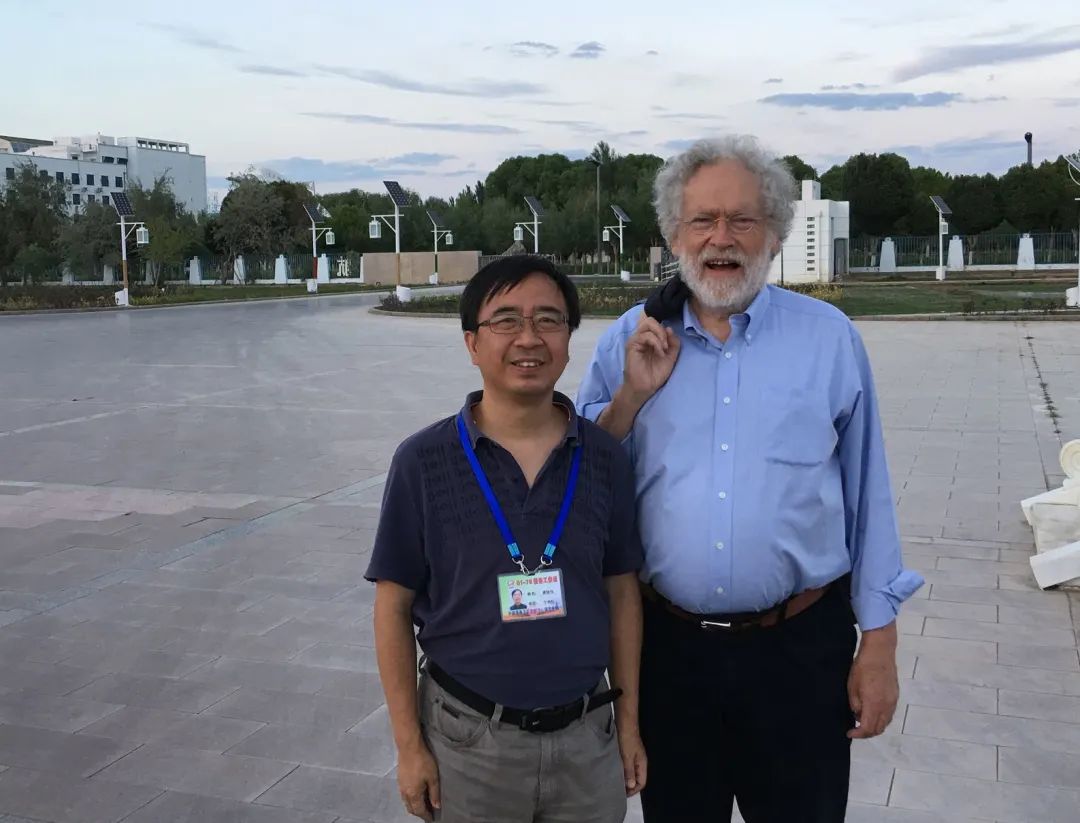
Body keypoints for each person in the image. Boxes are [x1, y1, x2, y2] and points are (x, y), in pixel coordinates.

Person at [577, 136, 925, 823]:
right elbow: (581, 479)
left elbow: (868, 495)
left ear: (775, 233)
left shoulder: (828, 339)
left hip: (800, 654)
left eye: (742, 219)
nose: (721, 238)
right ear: (674, 235)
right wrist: (631, 398)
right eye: (702, 220)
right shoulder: (629, 340)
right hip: (669, 655)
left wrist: (880, 643)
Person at [367, 255, 647, 823]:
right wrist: (409, 746)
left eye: (548, 319)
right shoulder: (423, 461)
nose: (529, 338)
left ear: (568, 337)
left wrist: (629, 725)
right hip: (468, 745)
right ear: (472, 343)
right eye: (506, 320)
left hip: (586, 742)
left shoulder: (603, 458)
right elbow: (391, 608)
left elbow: (622, 595)